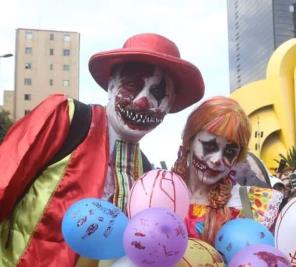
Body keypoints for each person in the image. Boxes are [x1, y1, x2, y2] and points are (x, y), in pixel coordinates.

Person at [0, 33, 205, 267]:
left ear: (169, 105)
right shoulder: (65, 119)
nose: (142, 101)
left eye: (157, 93)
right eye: (131, 85)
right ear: (110, 86)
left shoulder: (147, 178)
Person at [172, 96, 283, 244]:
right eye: (210, 146)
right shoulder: (159, 192)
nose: (217, 159)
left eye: (229, 152)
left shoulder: (252, 205)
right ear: (189, 142)